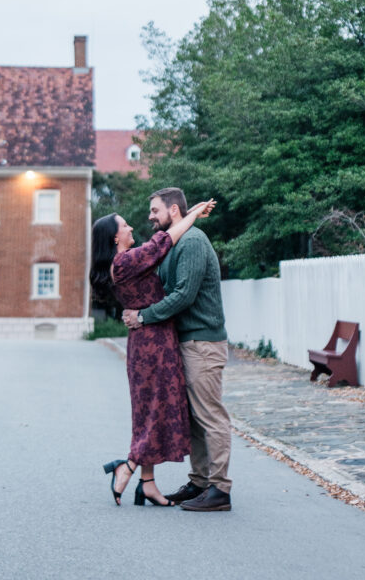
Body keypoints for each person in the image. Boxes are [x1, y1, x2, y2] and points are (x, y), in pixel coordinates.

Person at [90, 199, 215, 507]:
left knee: (148, 410)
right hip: (153, 344)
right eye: (125, 225)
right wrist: (193, 213)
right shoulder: (125, 261)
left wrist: (189, 214)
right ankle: (127, 466)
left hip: (146, 342)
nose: (131, 226)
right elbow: (165, 240)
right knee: (155, 410)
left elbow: (163, 241)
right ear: (115, 237)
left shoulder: (122, 263)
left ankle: (148, 484)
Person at [122, 187, 232, 512]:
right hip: (186, 342)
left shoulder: (193, 241)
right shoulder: (176, 242)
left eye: (155, 210)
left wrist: (143, 317)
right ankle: (199, 482)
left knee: (210, 415)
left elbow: (183, 294)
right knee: (195, 418)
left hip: (203, 343)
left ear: (173, 210)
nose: (150, 217)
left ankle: (220, 489)